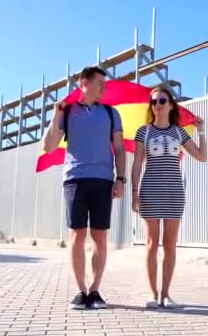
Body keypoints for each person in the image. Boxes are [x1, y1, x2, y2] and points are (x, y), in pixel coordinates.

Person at [42, 66, 126, 310]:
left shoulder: (111, 114)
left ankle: (95, 290)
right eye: (101, 82)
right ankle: (80, 290)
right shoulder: (68, 113)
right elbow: (48, 146)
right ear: (84, 83)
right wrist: (56, 115)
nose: (105, 86)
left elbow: (119, 149)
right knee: (77, 235)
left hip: (103, 180)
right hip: (75, 179)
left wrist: (120, 179)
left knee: (100, 236)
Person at [130, 86, 207, 309]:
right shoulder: (143, 132)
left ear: (171, 105)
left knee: (170, 245)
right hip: (150, 191)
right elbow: (137, 164)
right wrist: (134, 193)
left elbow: (202, 156)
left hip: (174, 193)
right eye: (153, 102)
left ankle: (166, 294)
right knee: (152, 244)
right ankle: (154, 294)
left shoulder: (179, 132)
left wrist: (201, 131)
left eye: (162, 101)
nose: (157, 105)